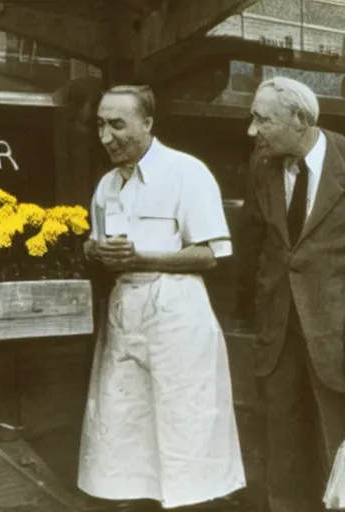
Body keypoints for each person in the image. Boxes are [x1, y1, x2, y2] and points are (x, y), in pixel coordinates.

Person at [78, 84, 246, 510]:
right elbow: (98, 248)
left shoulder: (187, 173)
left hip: (176, 310)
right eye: (101, 124)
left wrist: (143, 257)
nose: (106, 136)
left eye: (118, 124)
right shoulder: (106, 186)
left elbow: (210, 255)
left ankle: (195, 504)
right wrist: (93, 251)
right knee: (123, 417)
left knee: (183, 416)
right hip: (125, 308)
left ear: (148, 123)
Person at [236, 76, 345, 512]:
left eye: (261, 119)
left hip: (335, 339)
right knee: (282, 455)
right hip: (279, 336)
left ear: (299, 120)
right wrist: (253, 317)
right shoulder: (261, 165)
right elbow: (254, 244)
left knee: (333, 452)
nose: (251, 130)